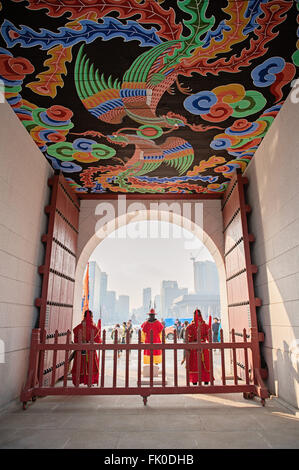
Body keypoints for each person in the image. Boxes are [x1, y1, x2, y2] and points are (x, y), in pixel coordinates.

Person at [71, 310, 101, 386]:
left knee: (80, 366)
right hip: (90, 351)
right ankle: (89, 382)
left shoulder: (78, 327)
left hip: (80, 351)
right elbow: (98, 340)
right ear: (91, 316)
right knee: (90, 366)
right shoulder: (94, 328)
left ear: (84, 316)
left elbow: (76, 340)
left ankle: (77, 382)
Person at [185, 309, 211, 385]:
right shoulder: (205, 326)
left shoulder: (190, 327)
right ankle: (206, 380)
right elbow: (209, 338)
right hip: (204, 347)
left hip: (194, 348)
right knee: (204, 364)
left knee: (194, 365)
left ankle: (195, 381)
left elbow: (188, 340)